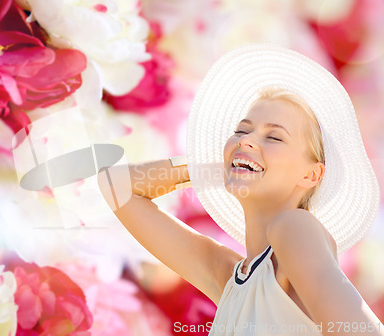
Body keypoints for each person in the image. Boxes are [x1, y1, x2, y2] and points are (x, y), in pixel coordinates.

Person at [97, 44, 384, 335]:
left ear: (311, 175)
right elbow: (116, 186)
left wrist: (243, 160)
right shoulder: (230, 280)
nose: (247, 140)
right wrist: (220, 166)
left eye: (274, 137)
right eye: (242, 131)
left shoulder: (295, 227)